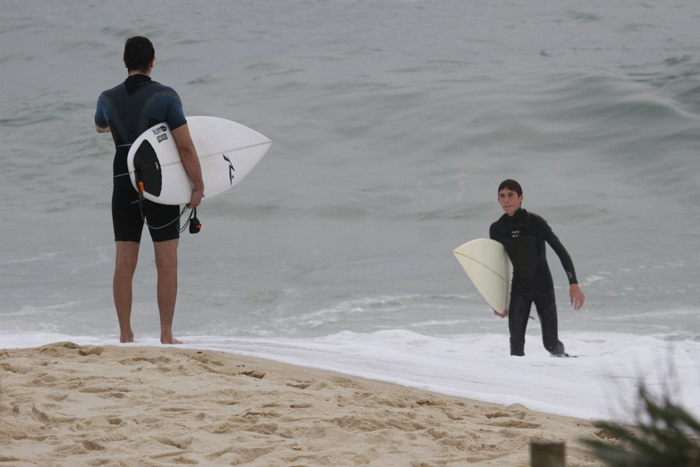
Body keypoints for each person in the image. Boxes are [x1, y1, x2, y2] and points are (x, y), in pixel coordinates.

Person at [94, 36, 205, 344]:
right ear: (152, 62)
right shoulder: (166, 97)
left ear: (125, 62)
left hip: (122, 184)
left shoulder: (106, 98)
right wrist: (198, 184)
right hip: (159, 186)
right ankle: (166, 335)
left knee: (123, 262)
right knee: (166, 260)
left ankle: (125, 334)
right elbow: (185, 146)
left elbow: (101, 126)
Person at [489, 179, 585, 357]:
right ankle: (521, 383)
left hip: (543, 288)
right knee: (515, 346)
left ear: (521, 198)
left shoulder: (535, 222)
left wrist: (573, 282)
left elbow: (560, 250)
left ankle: (562, 356)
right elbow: (498, 266)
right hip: (520, 288)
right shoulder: (497, 229)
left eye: (511, 195)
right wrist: (497, 300)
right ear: (498, 200)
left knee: (550, 345)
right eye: (502, 196)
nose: (506, 200)